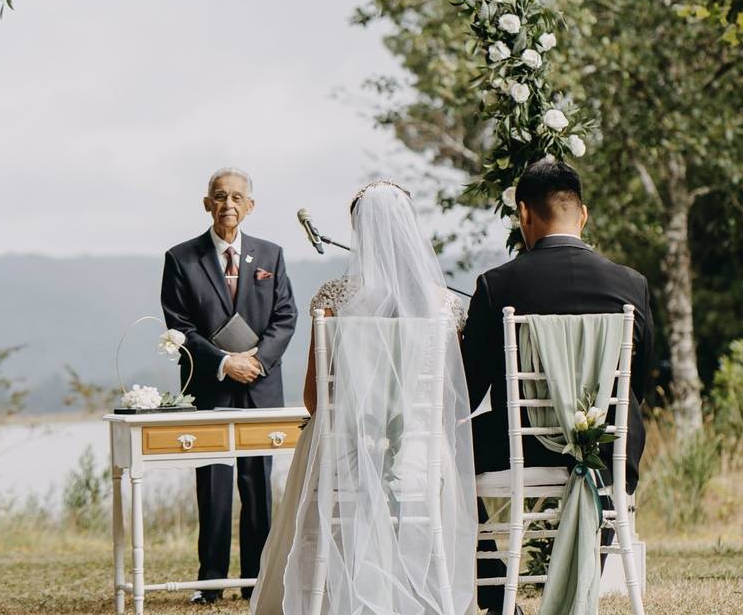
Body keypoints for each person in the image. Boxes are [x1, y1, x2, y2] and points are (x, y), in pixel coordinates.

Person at [251, 180, 476, 615]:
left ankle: (328, 594)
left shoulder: (334, 300)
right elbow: (451, 398)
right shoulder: (447, 307)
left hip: (349, 455)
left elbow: (315, 402)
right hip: (422, 456)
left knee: (319, 445)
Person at [461, 160, 654, 615]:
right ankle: (579, 583)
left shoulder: (496, 285)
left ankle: (495, 595)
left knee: (449, 452)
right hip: (608, 448)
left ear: (524, 214)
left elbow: (467, 393)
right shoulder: (632, 285)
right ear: (582, 214)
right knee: (626, 428)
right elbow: (638, 384)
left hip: (521, 446)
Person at [160, 167, 298, 604]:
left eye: (237, 197)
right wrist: (224, 362)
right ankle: (211, 584)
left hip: (261, 387)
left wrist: (256, 361)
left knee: (258, 487)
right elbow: (179, 326)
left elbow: (286, 316)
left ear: (250, 206)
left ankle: (256, 583)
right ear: (207, 204)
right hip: (211, 387)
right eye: (220, 197)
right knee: (215, 487)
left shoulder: (271, 256)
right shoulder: (181, 259)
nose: (228, 205)